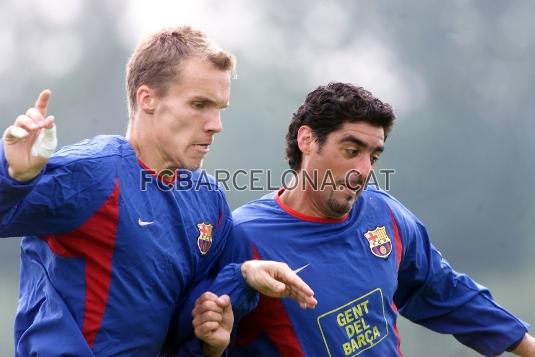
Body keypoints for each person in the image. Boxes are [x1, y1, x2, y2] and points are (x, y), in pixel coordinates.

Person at [0, 26, 316, 357]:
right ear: (147, 99)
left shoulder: (210, 203)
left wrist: (239, 283)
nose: (215, 124)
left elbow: (186, 334)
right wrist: (12, 174)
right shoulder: (94, 173)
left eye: (219, 108)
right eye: (199, 104)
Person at [217, 82, 535, 356]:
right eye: (351, 150)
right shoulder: (245, 237)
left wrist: (527, 346)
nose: (366, 170)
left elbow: (442, 289)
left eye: (374, 156)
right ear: (307, 141)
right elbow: (202, 337)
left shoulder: (385, 214)